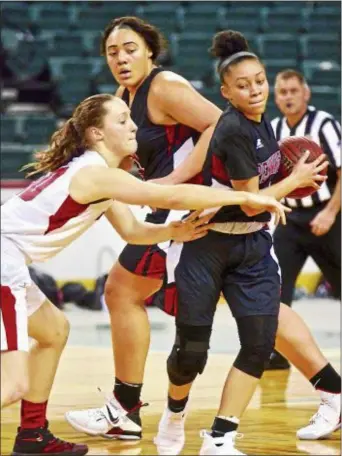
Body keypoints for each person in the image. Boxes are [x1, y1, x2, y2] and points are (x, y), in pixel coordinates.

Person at [65, 23, 340, 448]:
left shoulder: (165, 86)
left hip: (200, 207)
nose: (120, 58)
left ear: (150, 53)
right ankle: (331, 389)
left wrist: (173, 181)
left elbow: (218, 125)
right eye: (111, 51)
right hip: (182, 208)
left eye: (129, 49)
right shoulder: (125, 97)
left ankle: (127, 408)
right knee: (246, 306)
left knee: (123, 291)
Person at [1, 93, 288, 456]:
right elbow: (165, 196)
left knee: (55, 330)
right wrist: (245, 198)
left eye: (130, 118)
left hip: (8, 260)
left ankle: (32, 436)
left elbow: (133, 232)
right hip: (3, 261)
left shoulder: (99, 176)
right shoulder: (95, 175)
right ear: (96, 134)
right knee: (11, 384)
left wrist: (173, 232)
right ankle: (30, 433)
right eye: (121, 121)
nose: (133, 125)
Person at [150, 32, 339, 455]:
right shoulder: (233, 129)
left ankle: (220, 437)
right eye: (243, 85)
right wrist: (295, 182)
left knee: (258, 344)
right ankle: (174, 413)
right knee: (191, 353)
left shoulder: (263, 122)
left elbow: (257, 205)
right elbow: (252, 203)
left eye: (260, 81)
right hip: (207, 245)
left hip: (252, 248)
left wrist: (287, 176)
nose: (255, 90)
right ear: (226, 93)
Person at [267, 69, 341, 370]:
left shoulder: (324, 124)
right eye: (282, 92)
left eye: (293, 91)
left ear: (305, 93)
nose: (288, 97)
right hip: (290, 219)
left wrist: (331, 212)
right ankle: (278, 352)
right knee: (275, 286)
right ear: (276, 97)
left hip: (327, 215)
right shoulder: (272, 128)